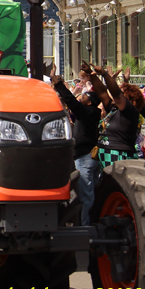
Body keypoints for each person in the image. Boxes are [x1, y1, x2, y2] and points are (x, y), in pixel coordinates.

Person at [51, 69, 102, 225]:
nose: (82, 97)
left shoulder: (87, 112)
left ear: (90, 102)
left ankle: (85, 228)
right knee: (90, 193)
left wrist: (59, 84)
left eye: (85, 96)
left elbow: (71, 101)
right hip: (89, 157)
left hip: (84, 158)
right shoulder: (90, 112)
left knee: (85, 196)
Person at [84, 62, 139, 168]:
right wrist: (91, 73)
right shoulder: (114, 109)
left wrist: (105, 74)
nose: (112, 95)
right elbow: (102, 93)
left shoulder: (130, 112)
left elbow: (116, 93)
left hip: (119, 155)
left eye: (122, 93)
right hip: (106, 154)